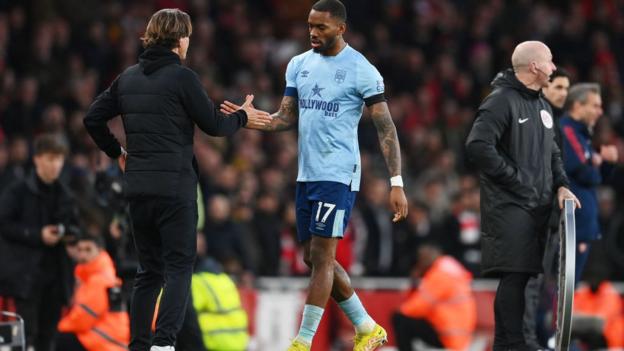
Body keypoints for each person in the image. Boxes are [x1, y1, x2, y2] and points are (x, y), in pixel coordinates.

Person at [221, 1, 408, 350]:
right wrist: (249, 119)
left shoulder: (361, 70)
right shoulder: (298, 65)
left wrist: (396, 182)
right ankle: (366, 325)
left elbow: (386, 128)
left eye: (321, 27)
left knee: (322, 258)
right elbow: (285, 118)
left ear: (340, 29)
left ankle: (302, 342)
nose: (313, 32)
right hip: (307, 174)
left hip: (338, 173)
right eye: (310, 25)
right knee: (312, 257)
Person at [82, 9, 271, 351]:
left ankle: (139, 345)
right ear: (181, 39)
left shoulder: (127, 78)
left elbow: (92, 119)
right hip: (175, 189)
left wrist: (118, 154)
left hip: (138, 189)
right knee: (179, 269)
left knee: (147, 272)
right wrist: (243, 116)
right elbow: (215, 126)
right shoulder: (182, 78)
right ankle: (164, 344)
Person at [465, 41, 580, 351]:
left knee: (525, 276)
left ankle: (507, 343)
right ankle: (513, 343)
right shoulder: (501, 101)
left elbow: (553, 152)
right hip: (509, 205)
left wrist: (561, 184)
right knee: (515, 276)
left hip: (535, 206)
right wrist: (515, 179)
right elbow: (477, 146)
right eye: (550, 61)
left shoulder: (541, 105)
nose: (554, 68)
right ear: (534, 67)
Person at [0, 133, 76, 351]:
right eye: (51, 159)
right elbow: (4, 224)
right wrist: (36, 235)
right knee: (26, 337)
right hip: (26, 277)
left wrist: (66, 233)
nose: (55, 165)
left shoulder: (65, 194)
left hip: (56, 276)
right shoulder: (17, 191)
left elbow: (76, 227)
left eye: (59, 159)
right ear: (37, 159)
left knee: (48, 337)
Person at [522, 68, 571, 348]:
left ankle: (531, 338)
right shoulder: (541, 119)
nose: (564, 93)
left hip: (548, 214)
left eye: (567, 88)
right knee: (529, 283)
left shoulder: (554, 120)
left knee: (538, 285)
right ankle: (525, 341)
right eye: (559, 87)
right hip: (535, 214)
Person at [560, 83, 618, 282]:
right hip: (571, 225)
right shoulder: (567, 130)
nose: (600, 111)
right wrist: (596, 162)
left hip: (581, 226)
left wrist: (603, 162)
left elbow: (597, 177)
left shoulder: (582, 137)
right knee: (560, 289)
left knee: (569, 288)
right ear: (577, 105)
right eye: (594, 105)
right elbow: (580, 171)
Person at [392, 244, 476, 351]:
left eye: (421, 258)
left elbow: (417, 307)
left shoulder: (439, 274)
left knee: (399, 318)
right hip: (457, 332)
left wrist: (401, 310)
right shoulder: (450, 268)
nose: (420, 261)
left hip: (448, 334)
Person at [56, 234, 130, 351]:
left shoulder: (99, 280)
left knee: (61, 339)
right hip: (106, 339)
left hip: (105, 341)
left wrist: (59, 327)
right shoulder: (97, 275)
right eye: (80, 250)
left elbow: (83, 318)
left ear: (99, 251)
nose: (83, 255)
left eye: (88, 249)